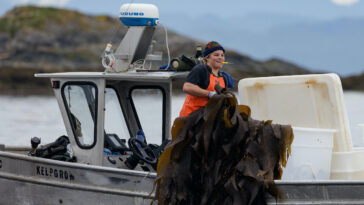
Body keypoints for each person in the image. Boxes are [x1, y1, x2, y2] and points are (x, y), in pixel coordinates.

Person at [179, 41, 234, 117]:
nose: (220, 58)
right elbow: (187, 87)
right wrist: (209, 94)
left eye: (222, 55)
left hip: (209, 118)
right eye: (216, 55)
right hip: (191, 118)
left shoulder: (224, 77)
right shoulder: (201, 69)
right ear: (207, 58)